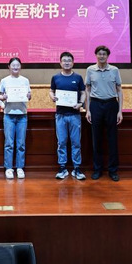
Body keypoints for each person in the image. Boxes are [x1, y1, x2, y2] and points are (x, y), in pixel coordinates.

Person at [85, 45, 122, 182]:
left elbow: (119, 90)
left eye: (104, 54)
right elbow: (87, 90)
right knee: (96, 139)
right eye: (99, 54)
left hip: (111, 104)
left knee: (112, 139)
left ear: (107, 56)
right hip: (95, 105)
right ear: (96, 55)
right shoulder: (90, 70)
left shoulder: (114, 70)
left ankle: (113, 170)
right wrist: (88, 110)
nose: (101, 56)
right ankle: (97, 169)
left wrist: (120, 111)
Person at [49, 51, 86, 181]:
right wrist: (53, 97)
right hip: (60, 115)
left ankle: (77, 168)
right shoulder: (55, 78)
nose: (66, 63)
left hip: (75, 115)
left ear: (73, 62)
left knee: (76, 142)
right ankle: (62, 167)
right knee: (62, 142)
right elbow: (51, 91)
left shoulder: (78, 77)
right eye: (64, 60)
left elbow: (83, 92)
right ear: (60, 62)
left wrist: (80, 103)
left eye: (69, 60)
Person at [0, 57, 31, 179]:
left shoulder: (25, 80)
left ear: (20, 67)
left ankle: (20, 167)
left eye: (17, 65)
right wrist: (3, 97)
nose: (15, 67)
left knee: (21, 143)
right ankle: (9, 168)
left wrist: (29, 95)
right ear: (9, 67)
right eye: (13, 65)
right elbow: (0, 95)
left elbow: (28, 95)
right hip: (8, 115)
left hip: (22, 115)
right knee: (9, 143)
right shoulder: (4, 81)